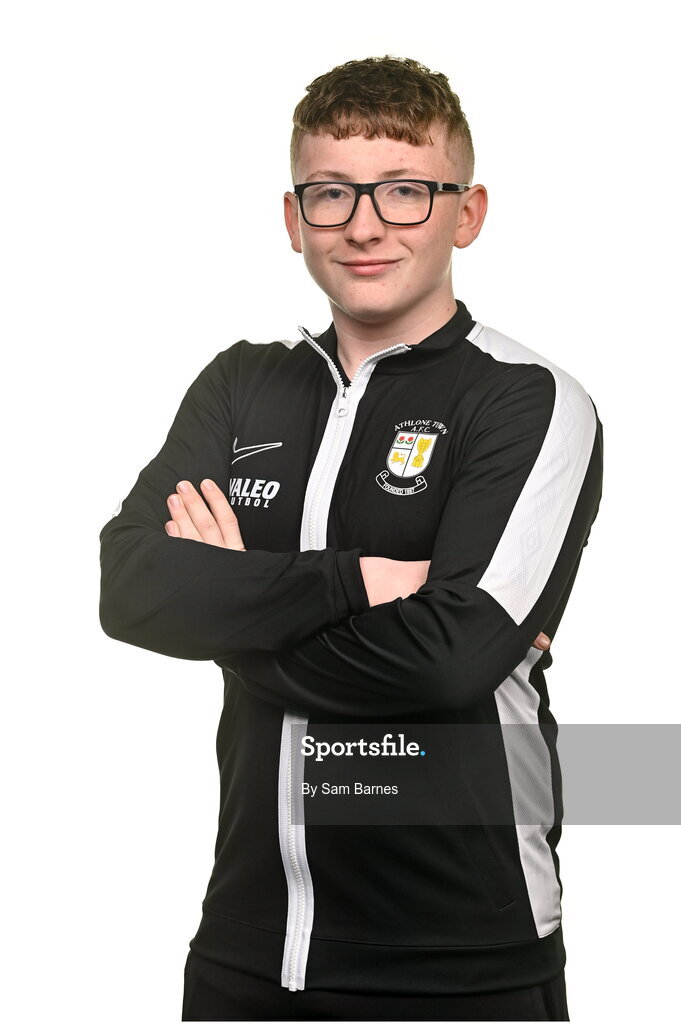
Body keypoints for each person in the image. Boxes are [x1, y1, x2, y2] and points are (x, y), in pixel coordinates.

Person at [99, 56, 603, 1021]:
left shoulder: (527, 401)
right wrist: (344, 584)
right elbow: (129, 588)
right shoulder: (240, 384)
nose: (365, 225)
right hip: (246, 950)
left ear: (467, 213)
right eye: (331, 193)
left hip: (463, 959)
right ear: (293, 219)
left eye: (404, 192)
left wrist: (233, 602)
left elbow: (447, 663)